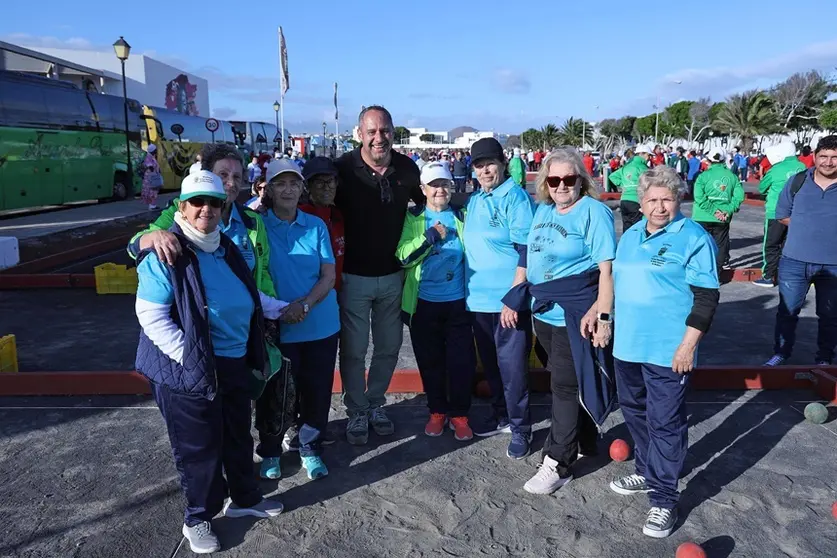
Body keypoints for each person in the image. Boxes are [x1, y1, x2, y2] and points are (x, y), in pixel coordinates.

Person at [135, 171, 284, 554]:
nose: (206, 209)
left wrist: (282, 309)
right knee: (198, 447)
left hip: (232, 362)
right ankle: (197, 519)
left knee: (237, 433)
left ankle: (245, 499)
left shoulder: (225, 247)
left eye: (214, 202)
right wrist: (193, 360)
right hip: (189, 370)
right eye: (197, 202)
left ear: (224, 207)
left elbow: (248, 294)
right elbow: (151, 316)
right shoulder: (167, 252)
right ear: (181, 207)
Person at [609, 166, 720, 539]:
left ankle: (664, 499)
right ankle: (647, 467)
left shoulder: (693, 236)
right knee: (635, 412)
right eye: (652, 200)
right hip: (627, 346)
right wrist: (604, 317)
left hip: (669, 350)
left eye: (667, 199)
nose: (659, 207)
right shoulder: (630, 235)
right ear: (640, 203)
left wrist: (689, 345)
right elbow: (616, 282)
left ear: (679, 200)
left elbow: (706, 297)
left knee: (666, 422)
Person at [500, 148, 617, 494]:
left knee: (564, 386)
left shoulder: (594, 212)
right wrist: (516, 295)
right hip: (544, 311)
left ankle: (558, 462)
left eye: (569, 179)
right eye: (554, 179)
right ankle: (584, 438)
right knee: (563, 377)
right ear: (545, 183)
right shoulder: (542, 211)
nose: (562, 185)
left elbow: (608, 271)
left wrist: (604, 314)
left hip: (577, 311)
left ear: (581, 180)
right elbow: (531, 259)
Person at [334, 106, 423, 445]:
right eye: (371, 131)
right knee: (354, 351)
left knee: (388, 348)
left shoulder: (407, 168)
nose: (378, 138)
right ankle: (356, 410)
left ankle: (375, 404)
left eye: (384, 131)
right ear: (360, 133)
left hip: (393, 277)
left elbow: (428, 206)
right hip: (353, 279)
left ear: (392, 131)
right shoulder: (341, 169)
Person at [260, 158, 341, 479]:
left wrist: (304, 305)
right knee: (275, 394)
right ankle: (269, 450)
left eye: (294, 183)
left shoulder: (316, 226)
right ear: (267, 189)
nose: (288, 190)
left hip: (320, 323)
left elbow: (328, 274)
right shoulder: (258, 225)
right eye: (281, 183)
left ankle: (309, 447)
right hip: (277, 326)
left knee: (316, 391)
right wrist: (281, 309)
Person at [463, 137, 536, 459]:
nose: (485, 170)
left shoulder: (516, 198)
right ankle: (501, 414)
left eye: (490, 163)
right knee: (491, 365)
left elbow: (527, 250)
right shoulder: (476, 199)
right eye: (479, 165)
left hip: (507, 301)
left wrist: (515, 296)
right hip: (476, 299)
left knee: (513, 369)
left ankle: (522, 428)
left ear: (503, 163)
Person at [396, 162, 475, 440]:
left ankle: (460, 414)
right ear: (423, 189)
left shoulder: (463, 216)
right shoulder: (413, 217)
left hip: (458, 303)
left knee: (461, 362)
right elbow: (403, 256)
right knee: (430, 361)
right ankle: (437, 411)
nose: (440, 190)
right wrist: (429, 237)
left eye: (444, 184)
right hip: (423, 304)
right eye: (433, 185)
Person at [766, 135, 837, 367]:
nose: (828, 162)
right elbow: (782, 214)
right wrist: (809, 228)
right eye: (824, 156)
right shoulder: (797, 181)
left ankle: (824, 358)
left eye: (835, 158)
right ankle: (781, 353)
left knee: (830, 316)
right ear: (814, 157)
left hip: (834, 265)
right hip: (794, 261)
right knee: (787, 312)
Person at [753, 142, 806, 288]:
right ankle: (789, 276)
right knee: (790, 246)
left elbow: (762, 188)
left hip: (775, 213)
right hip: (797, 213)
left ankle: (768, 276)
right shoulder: (803, 168)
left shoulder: (776, 169)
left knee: (771, 245)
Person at [692, 148, 745, 273]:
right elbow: (739, 197)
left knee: (700, 245)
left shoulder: (702, 177)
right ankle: (717, 273)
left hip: (702, 216)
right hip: (723, 218)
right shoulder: (732, 177)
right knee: (721, 245)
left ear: (709, 160)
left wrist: (714, 211)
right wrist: (727, 211)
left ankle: (701, 273)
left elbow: (699, 198)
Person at [609, 143, 652, 232]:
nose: (650, 158)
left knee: (626, 226)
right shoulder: (644, 168)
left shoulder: (626, 166)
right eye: (649, 155)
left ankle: (625, 244)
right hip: (637, 201)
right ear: (642, 154)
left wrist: (623, 184)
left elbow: (612, 176)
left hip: (624, 200)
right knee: (638, 228)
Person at [140, 144, 163, 210]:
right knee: (152, 191)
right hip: (151, 177)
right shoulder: (149, 157)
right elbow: (149, 166)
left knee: (153, 191)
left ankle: (153, 205)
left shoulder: (151, 156)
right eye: (155, 150)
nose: (156, 151)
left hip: (152, 176)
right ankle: (152, 205)